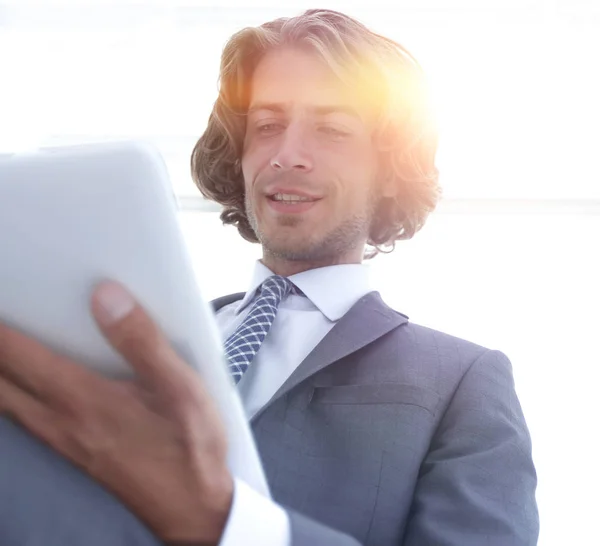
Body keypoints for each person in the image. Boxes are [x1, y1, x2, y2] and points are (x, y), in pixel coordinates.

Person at [0, 8, 538, 546]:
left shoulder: (461, 381)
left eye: (331, 130)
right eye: (267, 126)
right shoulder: (138, 340)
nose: (286, 155)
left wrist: (221, 518)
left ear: (389, 170)